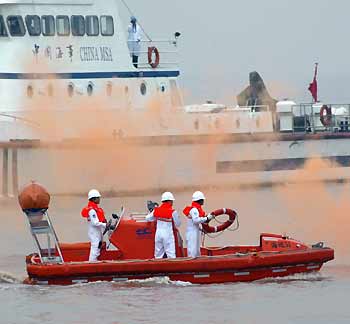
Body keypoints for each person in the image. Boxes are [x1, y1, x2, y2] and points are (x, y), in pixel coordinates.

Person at [146, 192, 181, 259]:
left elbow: (147, 218)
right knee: (171, 255)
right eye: (172, 201)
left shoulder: (156, 210)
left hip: (158, 234)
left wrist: (152, 212)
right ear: (169, 201)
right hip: (168, 235)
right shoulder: (173, 211)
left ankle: (157, 268)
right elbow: (178, 224)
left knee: (158, 255)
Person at [183, 191, 214, 258]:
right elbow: (195, 220)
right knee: (192, 252)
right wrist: (207, 218)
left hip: (195, 231)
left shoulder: (196, 209)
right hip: (192, 233)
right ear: (199, 200)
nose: (203, 201)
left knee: (197, 252)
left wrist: (201, 229)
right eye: (202, 199)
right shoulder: (194, 210)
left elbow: (195, 223)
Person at [81, 189, 107, 262]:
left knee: (98, 246)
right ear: (94, 199)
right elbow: (95, 223)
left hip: (97, 231)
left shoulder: (95, 209)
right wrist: (105, 225)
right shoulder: (92, 210)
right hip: (94, 232)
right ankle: (92, 262)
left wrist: (105, 223)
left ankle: (95, 261)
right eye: (98, 198)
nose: (99, 199)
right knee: (95, 247)